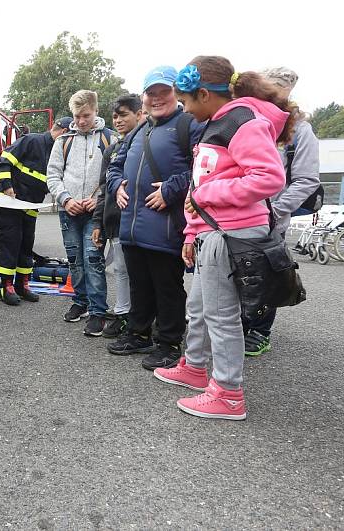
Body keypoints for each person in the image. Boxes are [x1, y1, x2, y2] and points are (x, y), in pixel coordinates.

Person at [153, 56, 293, 420]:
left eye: (185, 102)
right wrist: (192, 230)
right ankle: (196, 366)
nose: (184, 109)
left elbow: (268, 177)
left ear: (203, 93)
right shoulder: (218, 124)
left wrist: (207, 198)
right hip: (212, 232)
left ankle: (228, 393)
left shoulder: (240, 122)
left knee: (222, 315)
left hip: (231, 232)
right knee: (199, 307)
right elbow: (203, 185)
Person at [106, 66, 204, 368]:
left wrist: (172, 189)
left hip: (165, 226)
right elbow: (115, 165)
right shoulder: (139, 128)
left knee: (167, 286)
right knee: (139, 283)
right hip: (132, 225)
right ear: (144, 97)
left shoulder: (190, 124)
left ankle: (169, 341)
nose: (157, 98)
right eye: (152, 93)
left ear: (176, 93)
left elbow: (205, 169)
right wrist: (115, 186)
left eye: (164, 92)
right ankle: (139, 333)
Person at [241, 67, 321, 357]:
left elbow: (307, 180)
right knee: (238, 271)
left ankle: (260, 330)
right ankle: (239, 323)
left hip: (271, 219)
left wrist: (275, 209)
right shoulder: (249, 118)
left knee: (265, 273)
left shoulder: (300, 129)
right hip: (239, 214)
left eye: (278, 91)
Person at [47, 90, 115, 336]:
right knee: (75, 259)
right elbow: (53, 175)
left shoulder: (110, 139)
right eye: (77, 116)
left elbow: (114, 176)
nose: (81, 121)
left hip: (96, 214)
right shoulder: (62, 141)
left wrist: (97, 200)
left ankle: (98, 311)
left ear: (95, 111)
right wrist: (65, 199)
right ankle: (81, 301)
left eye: (86, 115)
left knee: (93, 259)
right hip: (69, 211)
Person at [0, 117, 71, 305]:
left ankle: (22, 284)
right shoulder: (32, 141)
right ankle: (6, 288)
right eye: (69, 136)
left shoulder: (57, 152)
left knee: (26, 244)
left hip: (31, 205)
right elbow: (4, 162)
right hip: (11, 202)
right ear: (60, 130)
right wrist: (7, 186)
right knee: (11, 243)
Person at [91, 94, 145, 337]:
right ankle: (123, 313)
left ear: (139, 114)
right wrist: (97, 223)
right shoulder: (112, 150)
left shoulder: (146, 142)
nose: (118, 120)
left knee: (143, 274)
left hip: (142, 221)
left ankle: (143, 317)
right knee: (121, 270)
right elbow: (104, 189)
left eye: (124, 114)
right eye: (115, 116)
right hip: (115, 223)